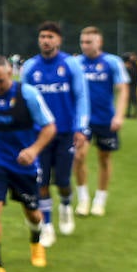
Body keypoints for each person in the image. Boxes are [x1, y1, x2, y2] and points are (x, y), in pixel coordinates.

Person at [0, 54, 56, 272]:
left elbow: (49, 128)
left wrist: (33, 150)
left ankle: (36, 242)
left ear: (10, 73)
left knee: (34, 214)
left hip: (24, 165)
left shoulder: (28, 95)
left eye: (0, 80)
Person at [21, 21, 88, 246]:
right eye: (42, 36)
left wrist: (81, 127)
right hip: (40, 135)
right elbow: (24, 101)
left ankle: (67, 205)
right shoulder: (30, 67)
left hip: (65, 132)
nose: (45, 40)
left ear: (58, 40)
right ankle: (47, 226)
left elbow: (81, 97)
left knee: (62, 181)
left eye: (50, 36)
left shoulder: (70, 64)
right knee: (41, 180)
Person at [73, 26, 129, 217]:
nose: (85, 46)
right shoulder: (76, 63)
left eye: (89, 42)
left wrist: (119, 115)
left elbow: (123, 89)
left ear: (99, 42)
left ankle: (100, 200)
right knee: (79, 156)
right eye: (82, 42)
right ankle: (83, 199)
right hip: (83, 121)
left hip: (106, 119)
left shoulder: (112, 62)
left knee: (104, 158)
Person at [123, 53, 137, 119]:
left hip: (133, 85)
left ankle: (136, 114)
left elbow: (135, 75)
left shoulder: (134, 64)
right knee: (128, 100)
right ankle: (128, 113)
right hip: (128, 84)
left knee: (134, 99)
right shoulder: (128, 64)